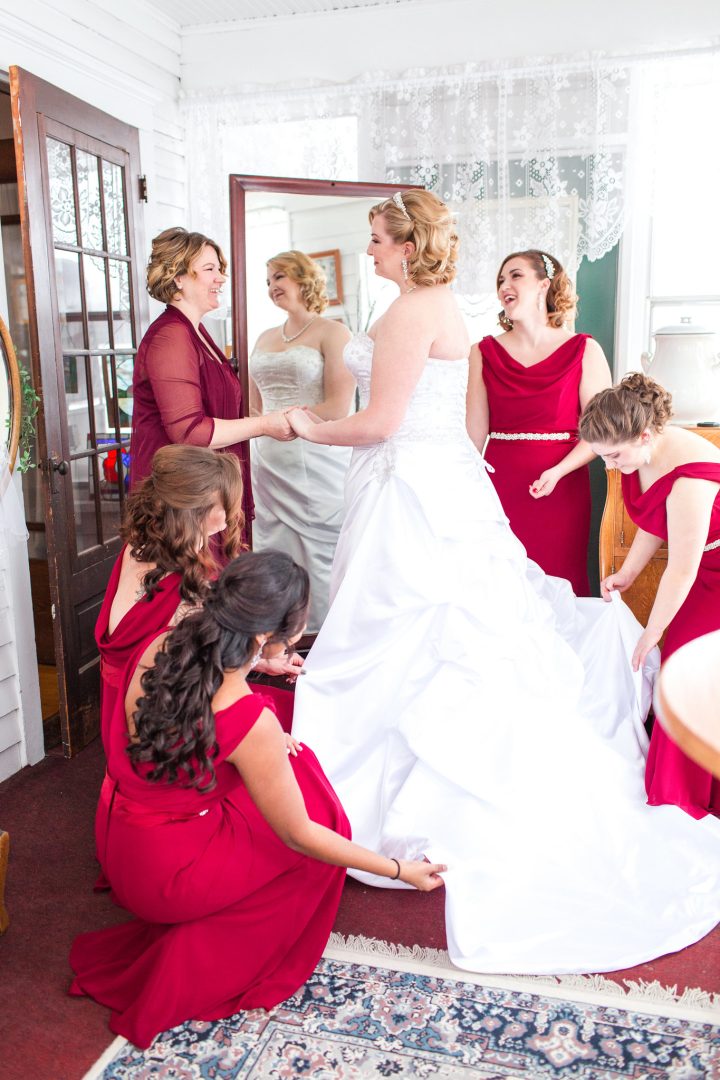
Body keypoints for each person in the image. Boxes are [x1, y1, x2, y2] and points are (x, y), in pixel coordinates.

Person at [286, 189, 720, 976]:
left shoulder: (429, 311)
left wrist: (302, 426)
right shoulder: (453, 322)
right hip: (438, 478)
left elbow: (385, 420)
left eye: (379, 239)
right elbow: (460, 425)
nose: (372, 250)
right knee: (411, 632)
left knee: (441, 635)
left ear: (409, 247)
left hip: (428, 483)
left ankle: (398, 801)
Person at [70, 552, 445, 1049]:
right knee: (316, 819)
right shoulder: (250, 719)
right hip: (167, 874)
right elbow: (300, 834)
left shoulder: (162, 643)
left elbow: (204, 695)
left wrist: (258, 670)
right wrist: (396, 869)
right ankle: (221, 955)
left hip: (120, 843)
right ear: (280, 631)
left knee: (297, 772)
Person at [579, 372, 720, 818]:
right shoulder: (640, 453)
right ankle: (681, 792)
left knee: (686, 672)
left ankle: (684, 800)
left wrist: (651, 634)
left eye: (615, 455)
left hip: (706, 571)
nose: (613, 465)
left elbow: (681, 569)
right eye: (604, 457)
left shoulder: (692, 476)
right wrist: (627, 572)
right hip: (701, 569)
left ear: (643, 434)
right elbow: (653, 522)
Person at [468, 250, 612, 595]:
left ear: (544, 285)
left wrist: (558, 472)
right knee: (504, 583)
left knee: (560, 577)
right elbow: (473, 435)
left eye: (515, 276)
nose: (505, 285)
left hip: (562, 487)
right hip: (501, 486)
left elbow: (601, 433)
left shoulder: (584, 349)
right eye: (501, 280)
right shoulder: (482, 352)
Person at [130, 227, 294, 526]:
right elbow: (189, 431)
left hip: (204, 489)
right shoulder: (171, 336)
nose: (221, 278)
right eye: (209, 269)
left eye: (220, 269)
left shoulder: (197, 331)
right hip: (183, 501)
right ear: (178, 277)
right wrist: (265, 425)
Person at [249, 251, 355, 630]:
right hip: (268, 460)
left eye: (279, 277)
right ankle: (277, 637)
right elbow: (254, 406)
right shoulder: (263, 337)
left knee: (320, 551)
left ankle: (325, 634)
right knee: (274, 549)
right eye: (267, 281)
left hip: (315, 457)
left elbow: (338, 407)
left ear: (303, 279)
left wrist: (291, 421)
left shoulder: (333, 332)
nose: (272, 287)